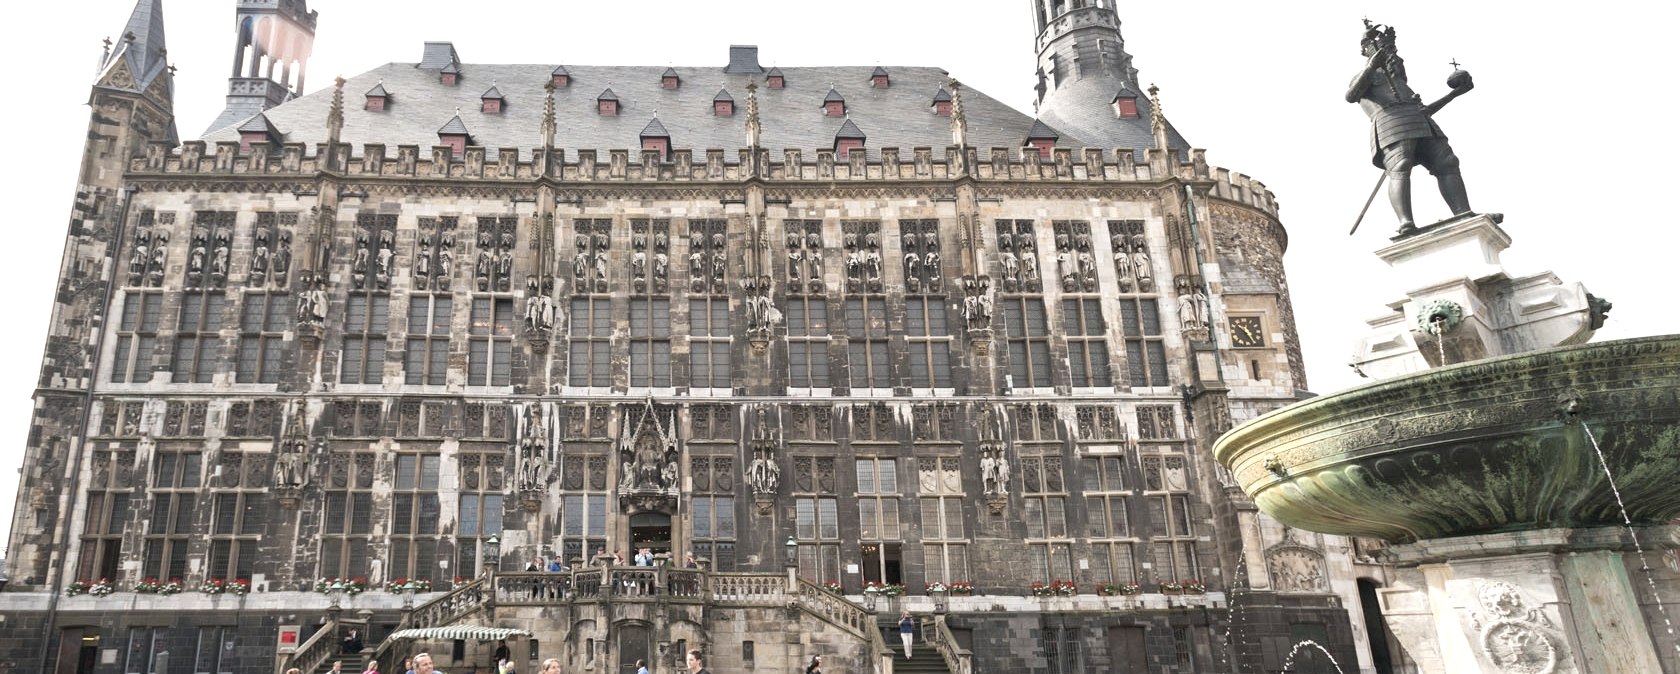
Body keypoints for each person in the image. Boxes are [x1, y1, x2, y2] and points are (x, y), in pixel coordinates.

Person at [1346, 19, 1475, 236]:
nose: (1392, 55)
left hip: (1421, 122)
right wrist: (1371, 66)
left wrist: (1453, 94)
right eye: (1385, 50)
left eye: (1391, 50)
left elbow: (1423, 111)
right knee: (1401, 165)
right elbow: (1351, 96)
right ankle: (1406, 222)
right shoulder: (1366, 77)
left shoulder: (1401, 83)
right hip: (1391, 124)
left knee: (1448, 162)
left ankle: (1463, 213)